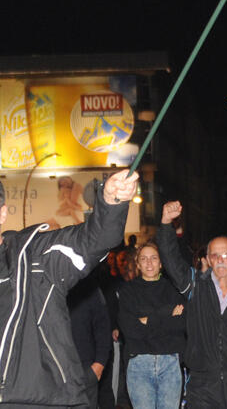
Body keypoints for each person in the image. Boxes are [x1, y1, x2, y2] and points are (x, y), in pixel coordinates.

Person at [0, 169, 137, 407]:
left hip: (36, 398)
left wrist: (111, 201)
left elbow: (94, 240)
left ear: (2, 213)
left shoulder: (36, 256)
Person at [156, 201, 227, 407]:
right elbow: (171, 259)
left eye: (226, 255)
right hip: (201, 384)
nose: (221, 260)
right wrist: (165, 224)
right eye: (215, 255)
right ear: (208, 258)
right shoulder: (195, 285)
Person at [116, 241, 186, 409]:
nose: (149, 263)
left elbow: (181, 324)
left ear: (161, 263)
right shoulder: (127, 291)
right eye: (144, 259)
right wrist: (166, 313)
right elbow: (130, 329)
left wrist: (146, 320)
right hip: (139, 363)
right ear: (138, 264)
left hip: (170, 362)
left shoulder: (175, 289)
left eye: (154, 258)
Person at [67, 274, 113, 409]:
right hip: (51, 369)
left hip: (85, 369)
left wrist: (99, 363)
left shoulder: (88, 285)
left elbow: (103, 325)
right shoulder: (44, 281)